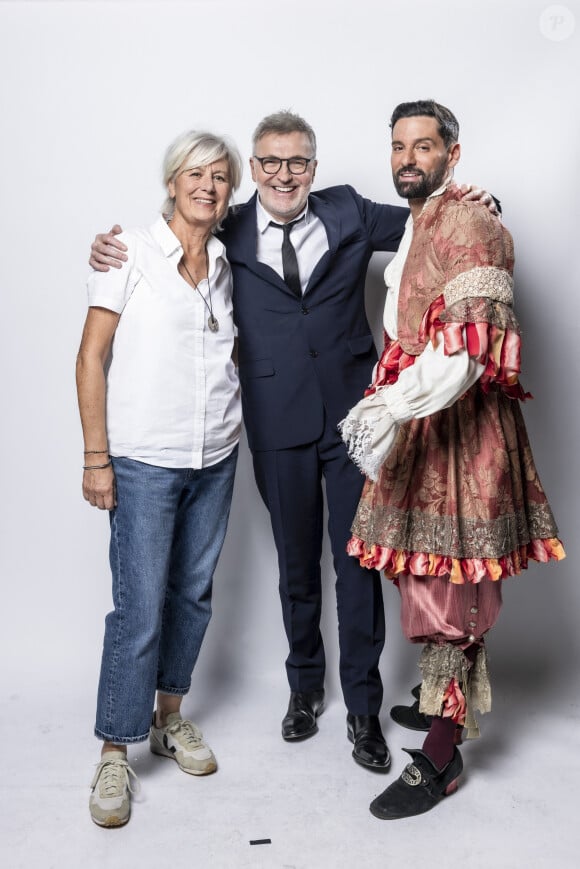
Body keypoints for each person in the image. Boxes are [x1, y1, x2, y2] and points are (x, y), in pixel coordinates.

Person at [89, 110, 497, 773]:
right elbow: (173, 225)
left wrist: (475, 197)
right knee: (296, 565)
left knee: (357, 565)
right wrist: (109, 246)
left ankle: (363, 707)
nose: (284, 174)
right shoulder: (228, 224)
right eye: (270, 162)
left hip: (355, 421)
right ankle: (306, 687)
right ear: (253, 169)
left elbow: (429, 222)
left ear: (314, 166)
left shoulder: (352, 213)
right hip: (275, 424)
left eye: (297, 162)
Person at [340, 100, 565, 819]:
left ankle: (442, 756)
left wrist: (387, 407)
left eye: (424, 146)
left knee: (452, 595)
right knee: (422, 578)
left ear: (453, 154)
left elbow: (467, 353)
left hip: (458, 430)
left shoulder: (468, 221)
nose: (409, 157)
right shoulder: (422, 218)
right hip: (422, 424)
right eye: (399, 146)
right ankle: (441, 706)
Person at [76, 129, 243, 827]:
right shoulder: (129, 253)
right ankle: (115, 749)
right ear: (172, 182)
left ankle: (169, 715)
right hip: (145, 460)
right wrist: (96, 456)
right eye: (195, 174)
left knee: (193, 596)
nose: (208, 186)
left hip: (217, 453)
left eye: (221, 177)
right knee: (138, 606)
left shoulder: (230, 260)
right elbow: (91, 357)